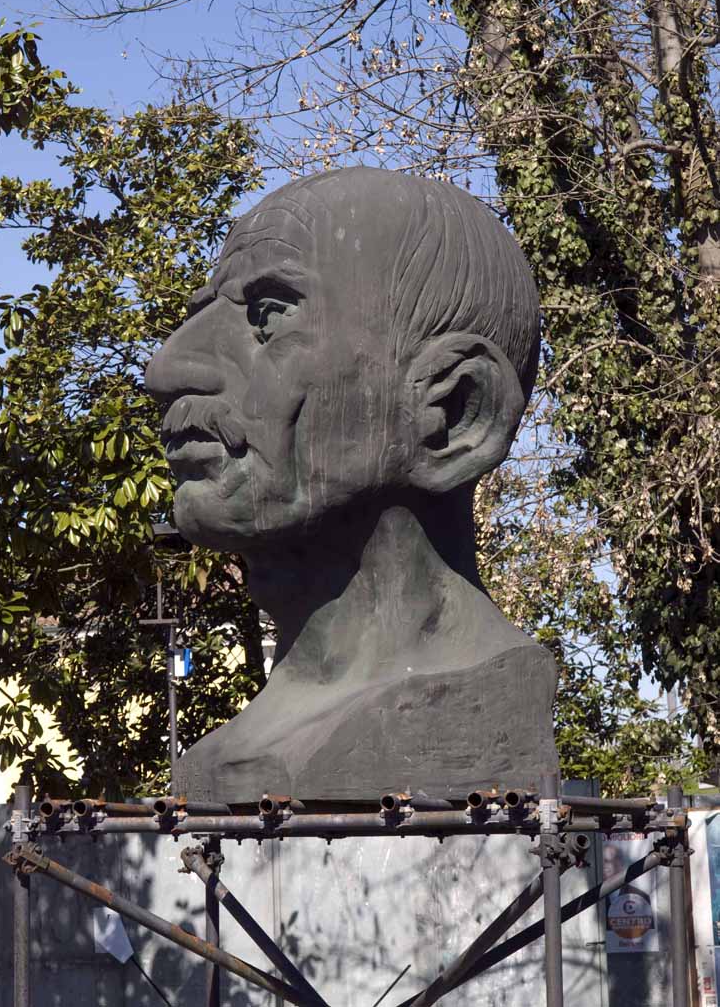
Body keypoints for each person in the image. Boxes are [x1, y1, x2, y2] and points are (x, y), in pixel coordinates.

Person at [146, 166, 558, 802]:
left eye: (269, 315)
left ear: (456, 414)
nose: (167, 368)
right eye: (205, 315)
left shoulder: (478, 698)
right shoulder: (228, 753)